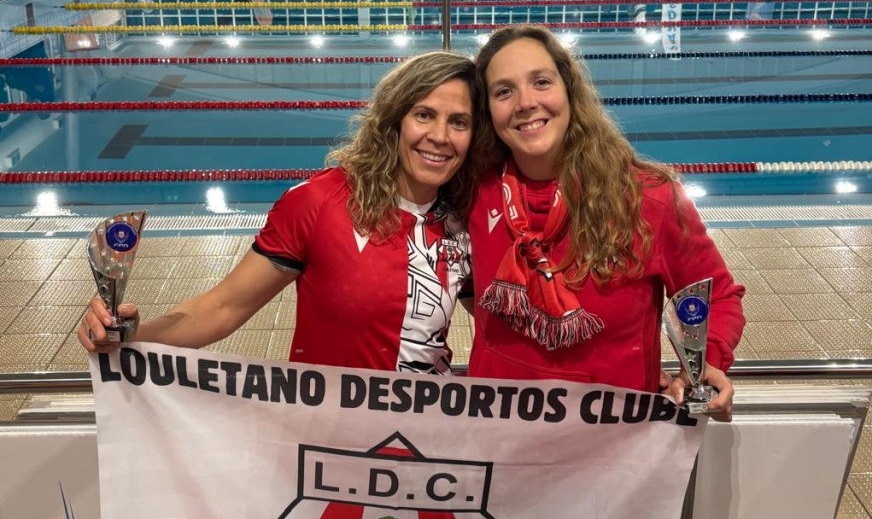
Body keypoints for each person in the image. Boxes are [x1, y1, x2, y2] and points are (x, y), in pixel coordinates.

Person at [78, 50, 487, 376]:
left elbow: (501, 323)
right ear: (394, 121)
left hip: (425, 434)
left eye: (459, 122)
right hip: (331, 435)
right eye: (424, 115)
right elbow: (224, 307)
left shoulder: (467, 221)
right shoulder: (320, 202)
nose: (440, 136)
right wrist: (130, 337)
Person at [464, 25, 745, 421]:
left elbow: (717, 297)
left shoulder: (647, 197)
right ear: (487, 110)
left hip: (614, 439)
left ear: (568, 90)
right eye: (504, 91)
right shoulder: (474, 192)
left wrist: (702, 364)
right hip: (498, 431)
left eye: (541, 82)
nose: (525, 102)